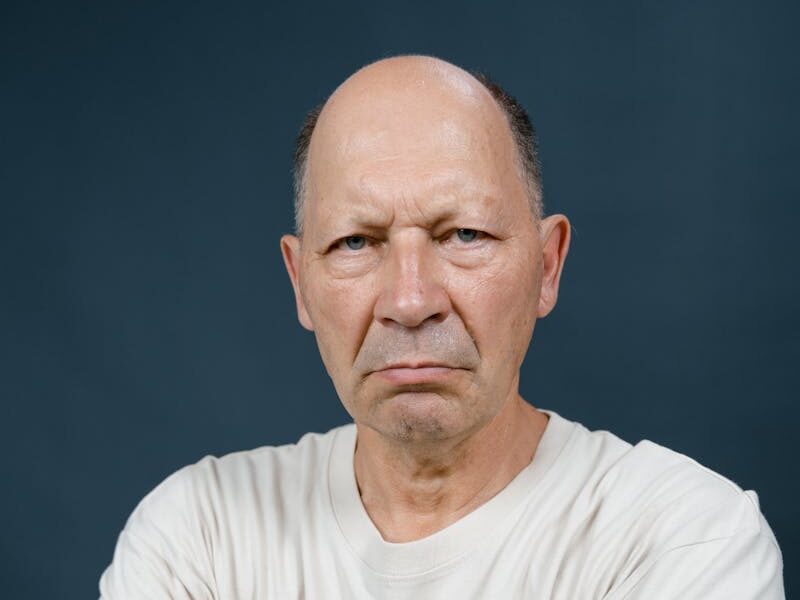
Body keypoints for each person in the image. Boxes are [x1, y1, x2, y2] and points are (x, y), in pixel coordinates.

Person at [98, 55, 785, 598]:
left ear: (547, 265)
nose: (410, 299)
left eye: (463, 233)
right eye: (356, 243)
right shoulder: (201, 536)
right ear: (298, 283)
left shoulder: (682, 537)